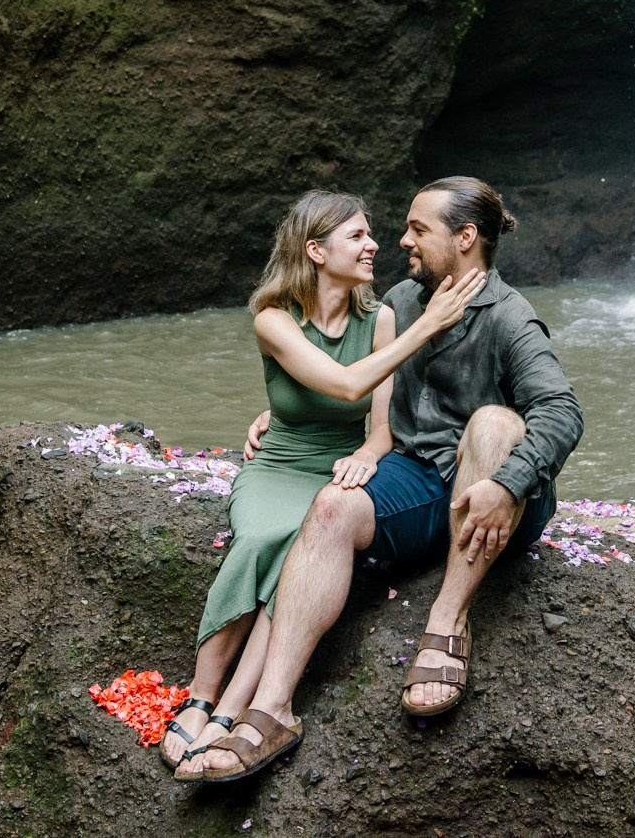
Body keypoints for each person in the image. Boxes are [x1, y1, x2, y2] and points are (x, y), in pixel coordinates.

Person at [184, 175, 581, 783]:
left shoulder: (510, 317)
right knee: (330, 507)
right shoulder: (403, 299)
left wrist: (511, 481)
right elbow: (350, 375)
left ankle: (447, 623)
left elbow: (563, 411)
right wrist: (284, 410)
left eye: (418, 230)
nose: (402, 241)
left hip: (494, 495)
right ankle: (272, 710)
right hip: (419, 483)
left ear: (466, 238)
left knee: (495, 425)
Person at [159, 189, 484, 771]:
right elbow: (341, 386)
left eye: (370, 233)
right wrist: (428, 326)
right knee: (262, 540)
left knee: (299, 557)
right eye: (358, 236)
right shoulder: (273, 319)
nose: (374, 245)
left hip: (337, 465)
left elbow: (383, 425)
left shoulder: (379, 318)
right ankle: (200, 695)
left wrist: (368, 454)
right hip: (280, 464)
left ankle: (233, 709)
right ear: (315, 249)